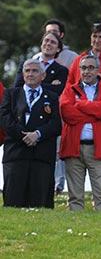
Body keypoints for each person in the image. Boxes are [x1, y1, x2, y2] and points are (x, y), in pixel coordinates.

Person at [0, 59, 61, 208]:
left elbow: (56, 124)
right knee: (14, 204)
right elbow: (4, 118)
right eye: (27, 71)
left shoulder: (52, 97)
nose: (30, 74)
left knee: (40, 206)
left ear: (43, 75)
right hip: (16, 155)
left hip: (41, 157)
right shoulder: (11, 94)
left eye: (34, 71)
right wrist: (25, 136)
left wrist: (38, 134)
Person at [60, 55, 101, 211]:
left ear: (98, 70)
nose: (87, 71)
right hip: (74, 147)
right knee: (75, 196)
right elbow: (67, 113)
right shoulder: (69, 90)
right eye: (84, 68)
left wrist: (81, 105)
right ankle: (76, 232)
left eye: (91, 68)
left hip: (98, 148)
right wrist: (94, 114)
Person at [41, 18, 78, 195]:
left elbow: (64, 87)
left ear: (61, 36)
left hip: (60, 110)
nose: (50, 39)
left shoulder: (72, 58)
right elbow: (21, 87)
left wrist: (41, 86)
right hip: (37, 113)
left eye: (55, 33)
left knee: (58, 150)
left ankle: (58, 184)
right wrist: (49, 85)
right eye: (47, 34)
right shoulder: (33, 60)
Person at [67, 23, 101, 93]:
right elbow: (69, 83)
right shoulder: (79, 59)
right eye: (94, 36)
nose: (97, 40)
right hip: (81, 101)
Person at [14, 32, 69, 96]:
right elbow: (17, 87)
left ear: (58, 49)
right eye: (46, 40)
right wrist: (49, 85)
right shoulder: (25, 64)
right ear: (41, 44)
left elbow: (57, 91)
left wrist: (29, 83)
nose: (48, 43)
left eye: (53, 42)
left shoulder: (62, 70)